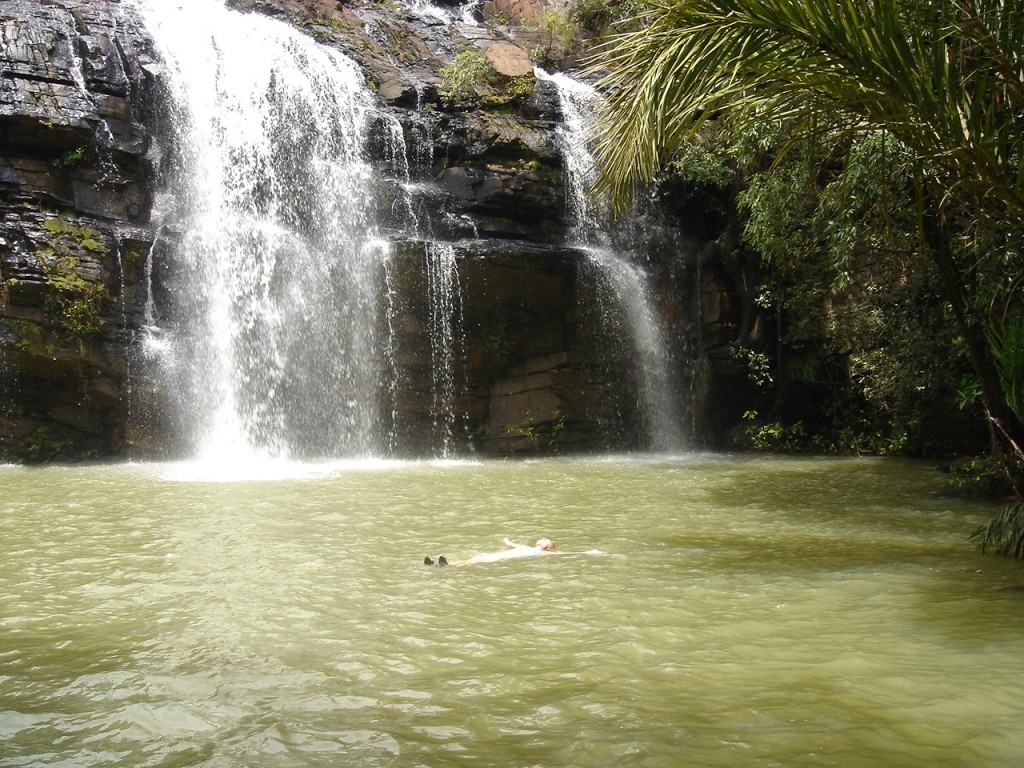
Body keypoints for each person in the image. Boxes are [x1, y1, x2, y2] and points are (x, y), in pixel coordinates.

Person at [424, 537, 603, 567]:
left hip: (503, 559)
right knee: (475, 559)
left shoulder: (543, 554)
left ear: (548, 546)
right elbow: (513, 544)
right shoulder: (527, 548)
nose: (542, 538)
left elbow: (566, 554)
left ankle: (447, 566)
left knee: (476, 562)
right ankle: (441, 565)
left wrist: (588, 552)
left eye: (546, 539)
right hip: (502, 555)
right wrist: (507, 541)